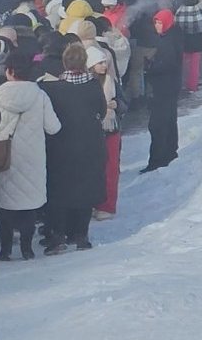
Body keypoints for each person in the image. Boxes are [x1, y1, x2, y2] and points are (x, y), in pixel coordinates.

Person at [0, 52, 61, 261]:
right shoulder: (40, 96)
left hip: (4, 157)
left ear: (9, 71)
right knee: (29, 206)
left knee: (5, 206)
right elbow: (53, 127)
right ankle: (27, 249)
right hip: (33, 158)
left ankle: (4, 249)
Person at [39, 43, 106, 254]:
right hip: (89, 144)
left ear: (65, 63)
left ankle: (58, 235)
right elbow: (101, 111)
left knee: (59, 190)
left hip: (60, 146)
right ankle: (81, 234)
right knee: (85, 188)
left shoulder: (51, 88)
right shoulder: (94, 86)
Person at [144, 10, 183, 173]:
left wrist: (150, 68)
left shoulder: (167, 42)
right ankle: (169, 152)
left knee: (158, 124)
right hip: (170, 86)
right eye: (155, 23)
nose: (157, 26)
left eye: (160, 23)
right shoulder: (172, 36)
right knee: (168, 121)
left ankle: (157, 159)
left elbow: (168, 64)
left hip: (164, 87)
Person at [86, 46, 121, 221]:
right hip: (93, 130)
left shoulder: (111, 81)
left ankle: (107, 205)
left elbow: (123, 102)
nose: (104, 66)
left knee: (110, 168)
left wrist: (117, 105)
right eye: (99, 62)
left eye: (104, 62)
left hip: (111, 129)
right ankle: (94, 202)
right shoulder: (86, 84)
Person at [177, 0, 202, 92]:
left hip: (182, 42)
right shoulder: (200, 12)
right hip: (197, 43)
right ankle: (192, 86)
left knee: (182, 65)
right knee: (194, 66)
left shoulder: (178, 11)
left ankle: (181, 84)